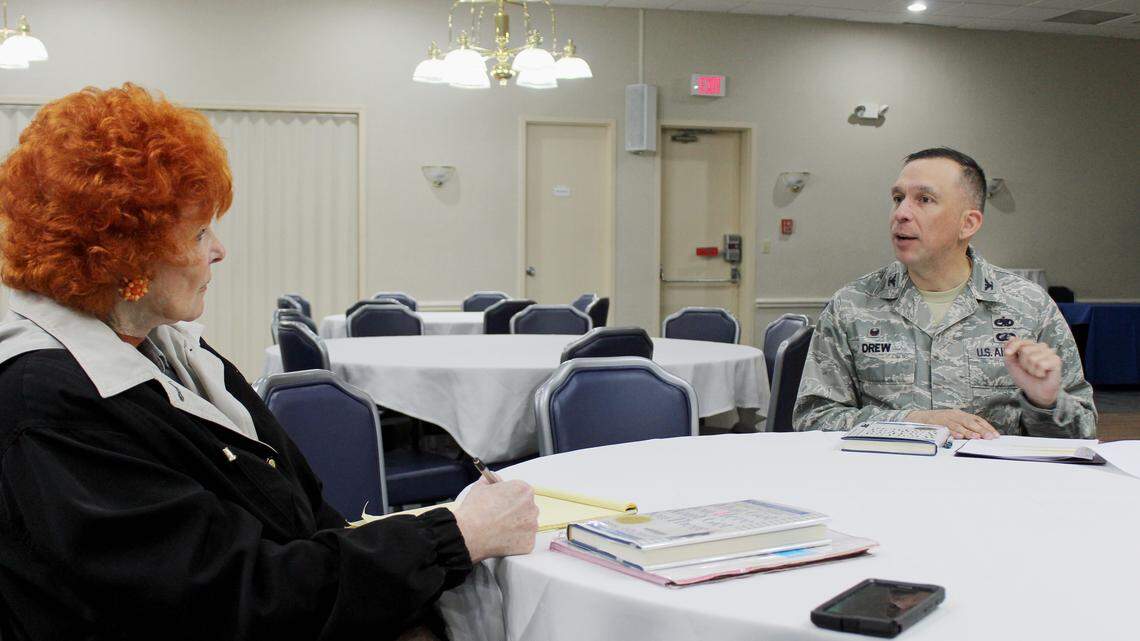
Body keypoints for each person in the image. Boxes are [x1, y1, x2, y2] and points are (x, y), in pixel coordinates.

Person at [0, 83, 538, 640]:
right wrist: (449, 538)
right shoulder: (48, 403)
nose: (219, 249)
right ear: (120, 254)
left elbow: (302, 514)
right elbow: (229, 599)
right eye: (200, 230)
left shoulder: (173, 350)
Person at [793, 147, 1095, 439]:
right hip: (885, 484)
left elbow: (1083, 434)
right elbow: (813, 420)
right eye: (898, 198)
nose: (901, 213)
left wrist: (1046, 403)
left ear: (968, 223)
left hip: (991, 486)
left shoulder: (1029, 307)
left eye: (924, 199)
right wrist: (912, 422)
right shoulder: (852, 306)